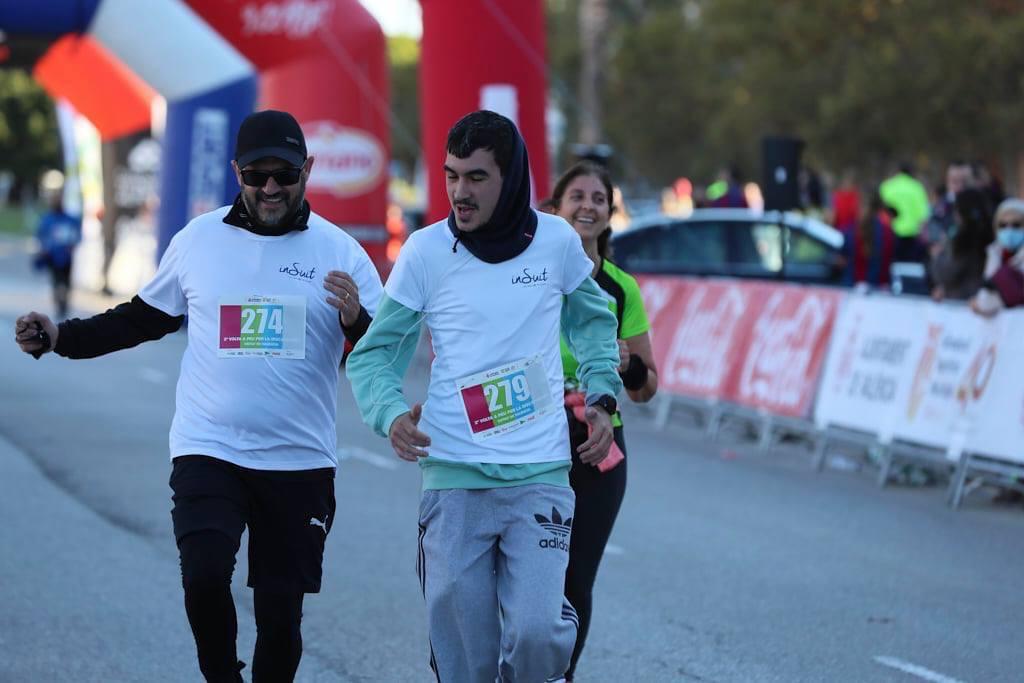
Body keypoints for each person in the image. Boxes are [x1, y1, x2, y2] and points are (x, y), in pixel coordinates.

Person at [14, 110, 384, 682]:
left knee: (280, 617)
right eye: (256, 175)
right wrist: (61, 337)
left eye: (284, 174)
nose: (270, 188)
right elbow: (139, 319)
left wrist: (356, 319)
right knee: (205, 577)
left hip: (299, 461)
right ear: (236, 172)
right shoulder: (199, 241)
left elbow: (386, 349)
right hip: (210, 449)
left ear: (307, 170)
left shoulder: (341, 254)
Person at [345, 110, 622, 682]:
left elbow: (595, 322)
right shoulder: (424, 252)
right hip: (453, 473)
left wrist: (601, 395)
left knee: (537, 634)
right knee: (466, 658)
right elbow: (375, 353)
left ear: (510, 176)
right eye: (451, 175)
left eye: (476, 177)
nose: (459, 192)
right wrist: (390, 413)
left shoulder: (556, 242)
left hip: (540, 471)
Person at [550, 161, 658, 681]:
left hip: (597, 447)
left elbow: (646, 387)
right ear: (556, 208)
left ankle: (560, 675)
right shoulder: (529, 275)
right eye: (577, 196)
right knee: (522, 577)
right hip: (529, 442)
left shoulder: (620, 289)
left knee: (574, 580)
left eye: (599, 199)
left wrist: (627, 364)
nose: (588, 206)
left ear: (610, 214)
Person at [929, 188, 993, 301]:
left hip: (963, 300)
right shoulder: (989, 233)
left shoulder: (966, 239)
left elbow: (948, 273)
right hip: (975, 297)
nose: (955, 215)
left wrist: (938, 256)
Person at [33, 190, 82, 319]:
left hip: (66, 257)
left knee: (65, 283)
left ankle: (64, 303)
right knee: (56, 282)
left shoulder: (69, 219)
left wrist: (72, 246)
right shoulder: (47, 219)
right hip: (53, 257)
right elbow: (40, 235)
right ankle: (59, 304)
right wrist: (43, 249)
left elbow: (77, 234)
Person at [879, 162, 930, 263]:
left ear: (898, 172)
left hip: (890, 234)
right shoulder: (917, 188)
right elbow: (924, 215)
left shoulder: (886, 186)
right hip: (911, 235)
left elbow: (880, 212)